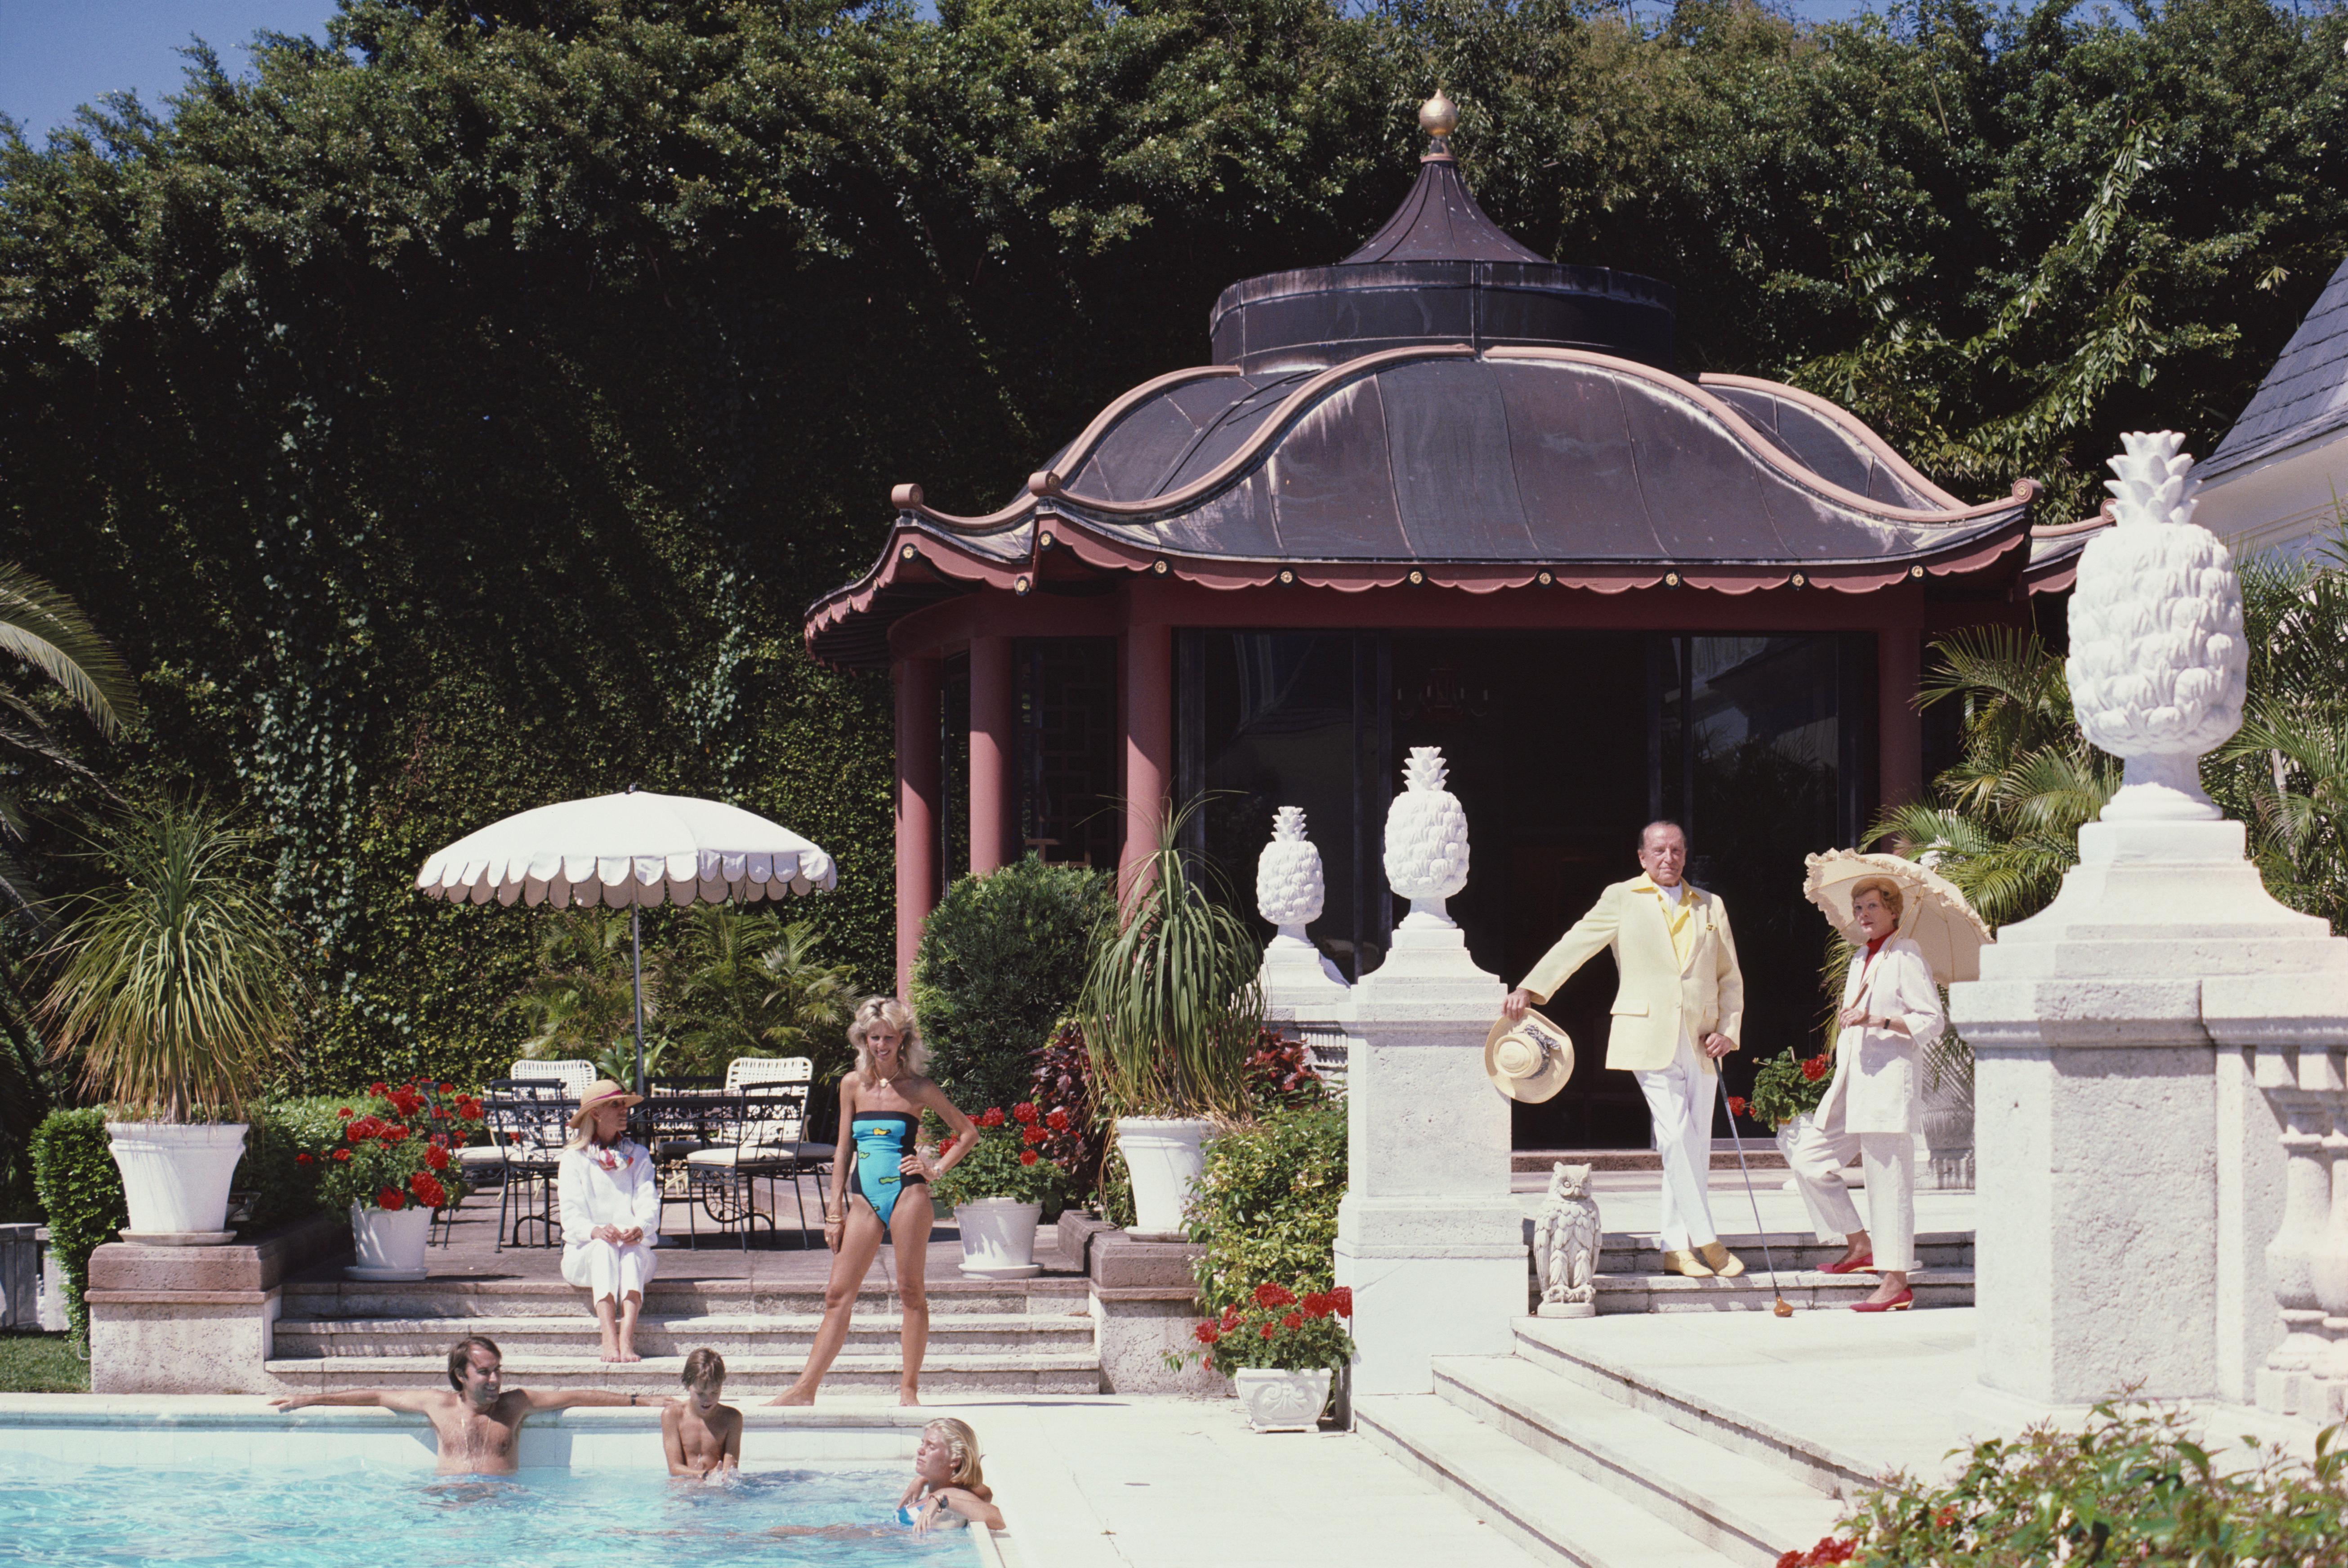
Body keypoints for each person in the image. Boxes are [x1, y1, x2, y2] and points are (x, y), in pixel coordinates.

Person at [1502, 820, 1746, 1279]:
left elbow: (1728, 976)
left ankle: (1676, 1248)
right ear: (1641, 856)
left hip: (1700, 1037)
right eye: (1658, 850)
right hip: (1644, 1032)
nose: (1668, 858)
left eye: (1676, 850)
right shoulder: (1621, 897)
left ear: (1685, 853)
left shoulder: (1710, 905)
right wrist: (1532, 988)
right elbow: (1577, 941)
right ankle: (1706, 1237)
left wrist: (1728, 1030)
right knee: (1672, 1136)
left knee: (1695, 1144)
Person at [770, 997, 978, 1407]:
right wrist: (834, 1211)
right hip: (863, 1198)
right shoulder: (853, 1084)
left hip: (908, 1194)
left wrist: (935, 1169)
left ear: (903, 1039)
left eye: (888, 1038)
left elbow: (968, 1132)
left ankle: (909, 1390)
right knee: (837, 1294)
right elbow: (843, 1150)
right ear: (863, 1039)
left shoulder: (919, 1088)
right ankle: (804, 1390)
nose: (881, 1045)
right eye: (873, 1038)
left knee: (910, 1291)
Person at [1788, 876, 1945, 1313]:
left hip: (1887, 1086)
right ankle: (1859, 1244)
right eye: (1858, 907)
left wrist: (1876, 1019)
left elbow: (1932, 1021)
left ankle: (1895, 1281)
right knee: (1808, 1159)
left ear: (1893, 910)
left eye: (1872, 905)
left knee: (1887, 1181)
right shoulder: (1861, 956)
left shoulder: (1905, 954)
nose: (1863, 914)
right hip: (1851, 1084)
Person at [269, 1334, 650, 1475]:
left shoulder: (516, 1405)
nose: (496, 1380)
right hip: (449, 1504)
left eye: (498, 1370)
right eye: (485, 1372)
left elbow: (579, 1395)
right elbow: (374, 1395)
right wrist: (310, 1398)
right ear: (461, 1376)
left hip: (504, 1505)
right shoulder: (438, 1405)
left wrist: (639, 1399)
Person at [558, 1078, 661, 1363]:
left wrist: (639, 1229)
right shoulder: (573, 1159)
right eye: (615, 1105)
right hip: (585, 1255)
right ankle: (608, 1336)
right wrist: (596, 1231)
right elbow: (570, 1213)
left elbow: (649, 1203)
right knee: (605, 1248)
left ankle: (627, 1337)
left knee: (627, 1250)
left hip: (633, 1253)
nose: (623, 1110)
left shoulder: (638, 1155)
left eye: (624, 1104)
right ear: (596, 1113)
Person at [896, 1417, 1003, 1533]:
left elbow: (1001, 1520)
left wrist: (944, 1502)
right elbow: (984, 1492)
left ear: (955, 1461)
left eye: (931, 1446)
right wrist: (922, 1479)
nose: (920, 1450)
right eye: (923, 1443)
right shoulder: (939, 1489)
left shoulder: (951, 1495)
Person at [663, 1347, 742, 1479]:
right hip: (685, 1486)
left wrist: (720, 1478)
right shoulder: (673, 1416)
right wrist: (706, 1475)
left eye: (715, 1393)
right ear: (687, 1384)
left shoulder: (732, 1418)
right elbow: (674, 1468)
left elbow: (731, 1470)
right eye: (700, 1393)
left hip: (716, 1486)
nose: (708, 1400)